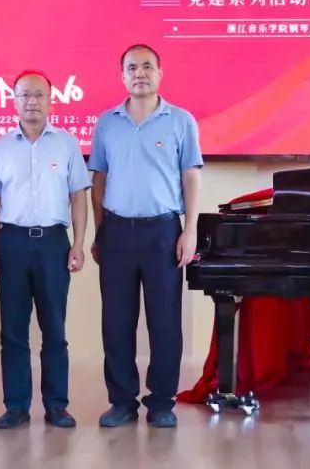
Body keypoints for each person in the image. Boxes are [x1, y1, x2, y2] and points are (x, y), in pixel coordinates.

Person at [90, 44, 203, 428]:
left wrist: (190, 230)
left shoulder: (181, 120)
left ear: (159, 73)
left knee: (165, 321)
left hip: (163, 232)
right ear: (122, 76)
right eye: (132, 67)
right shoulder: (107, 123)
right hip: (117, 232)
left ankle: (161, 402)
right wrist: (100, 231)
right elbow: (99, 179)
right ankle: (122, 401)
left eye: (147, 66)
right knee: (116, 321)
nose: (140, 73)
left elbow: (191, 176)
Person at [0, 71, 91, 429]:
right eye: (25, 95)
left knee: (54, 329)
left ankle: (57, 405)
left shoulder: (67, 144)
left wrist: (78, 243)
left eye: (39, 95)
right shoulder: (0, 147)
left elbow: (78, 196)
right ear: (14, 100)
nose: (32, 101)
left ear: (51, 101)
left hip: (53, 243)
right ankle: (15, 406)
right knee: (13, 331)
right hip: (11, 243)